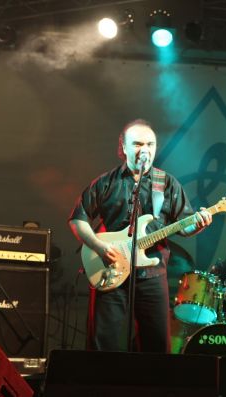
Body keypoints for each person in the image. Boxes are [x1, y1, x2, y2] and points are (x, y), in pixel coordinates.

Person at [69, 119, 212, 353]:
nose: (144, 150)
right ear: (123, 148)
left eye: (150, 144)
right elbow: (78, 219)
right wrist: (99, 247)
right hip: (111, 270)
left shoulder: (166, 184)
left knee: (157, 345)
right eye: (137, 144)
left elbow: (184, 227)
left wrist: (198, 225)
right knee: (103, 345)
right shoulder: (106, 183)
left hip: (152, 275)